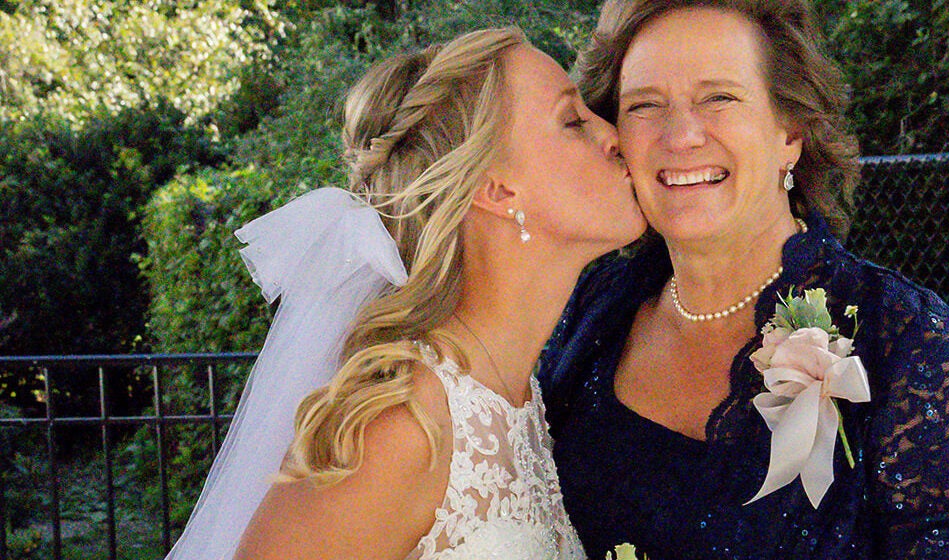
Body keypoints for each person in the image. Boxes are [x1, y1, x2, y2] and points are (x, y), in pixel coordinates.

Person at [539, 1, 949, 559]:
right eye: (644, 106)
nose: (681, 135)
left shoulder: (905, 339)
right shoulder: (590, 311)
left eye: (718, 98)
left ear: (789, 132)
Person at [165, 27, 645, 560]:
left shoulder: (522, 395)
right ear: (495, 189)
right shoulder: (399, 428)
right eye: (573, 121)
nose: (614, 135)